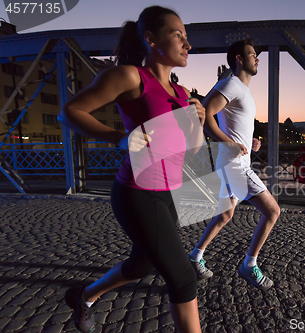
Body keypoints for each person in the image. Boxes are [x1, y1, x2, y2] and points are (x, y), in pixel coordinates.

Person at [58, 6, 204, 333]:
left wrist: (200, 121)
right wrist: (118, 139)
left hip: (170, 193)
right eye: (178, 34)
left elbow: (192, 150)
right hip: (137, 193)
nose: (187, 44)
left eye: (186, 36)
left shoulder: (182, 94)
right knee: (183, 278)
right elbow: (69, 112)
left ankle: (83, 296)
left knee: (142, 264)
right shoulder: (131, 76)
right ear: (151, 39)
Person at [189, 39, 280, 291]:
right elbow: (206, 117)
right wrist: (229, 143)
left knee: (226, 214)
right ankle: (249, 265)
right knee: (272, 212)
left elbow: (229, 122)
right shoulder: (230, 84)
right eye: (252, 54)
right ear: (239, 59)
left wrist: (248, 142)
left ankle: (195, 257)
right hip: (234, 164)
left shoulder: (242, 89)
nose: (257, 58)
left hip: (235, 160)